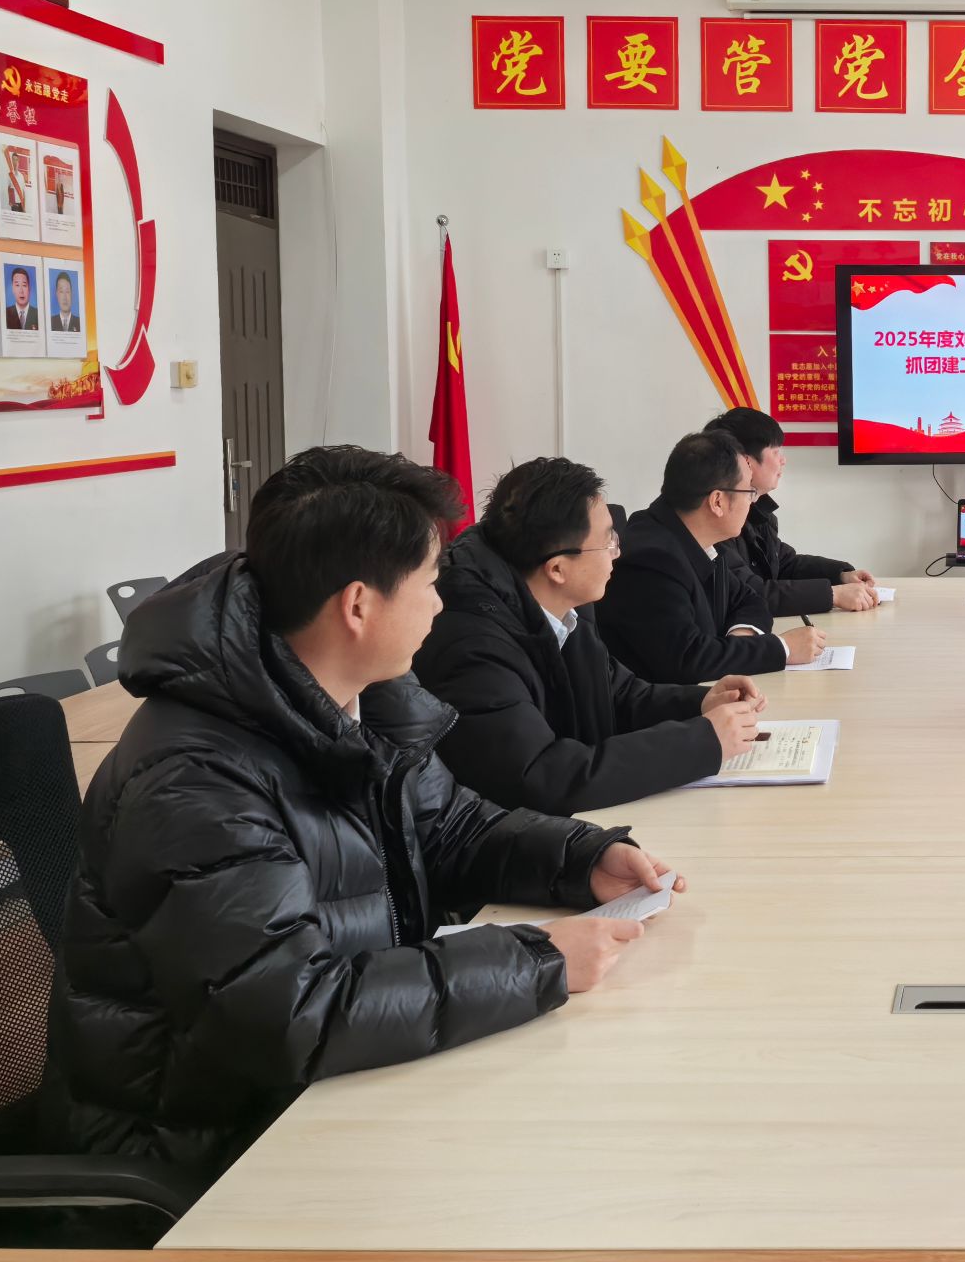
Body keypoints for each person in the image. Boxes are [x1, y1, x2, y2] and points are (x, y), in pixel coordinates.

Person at [49, 446, 685, 1180]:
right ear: (358, 605)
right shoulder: (194, 782)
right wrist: (535, 959)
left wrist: (582, 858)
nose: (441, 606)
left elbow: (453, 826)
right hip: (211, 1148)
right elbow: (290, 1011)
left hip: (336, 1086)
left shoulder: (362, 696)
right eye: (431, 584)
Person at [412, 456, 766, 817]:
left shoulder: (569, 606)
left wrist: (702, 703)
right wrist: (702, 743)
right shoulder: (472, 645)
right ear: (557, 569)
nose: (618, 552)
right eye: (607, 542)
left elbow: (619, 694)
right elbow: (541, 776)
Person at [598, 430, 826, 683]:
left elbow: (750, 600)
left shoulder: (696, 539)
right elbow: (689, 661)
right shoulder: (650, 560)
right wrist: (783, 648)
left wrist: (740, 642)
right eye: (748, 491)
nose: (752, 502)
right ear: (717, 501)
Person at [705, 406, 877, 615]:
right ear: (745, 461)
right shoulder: (716, 519)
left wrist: (841, 575)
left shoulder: (757, 509)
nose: (783, 460)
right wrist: (833, 595)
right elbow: (747, 592)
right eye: (776, 452)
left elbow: (784, 564)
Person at [3, 266, 37, 331]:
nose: (21, 291)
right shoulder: (5, 314)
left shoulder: (37, 314)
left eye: (24, 285)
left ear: (29, 289)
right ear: (13, 289)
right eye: (17, 285)